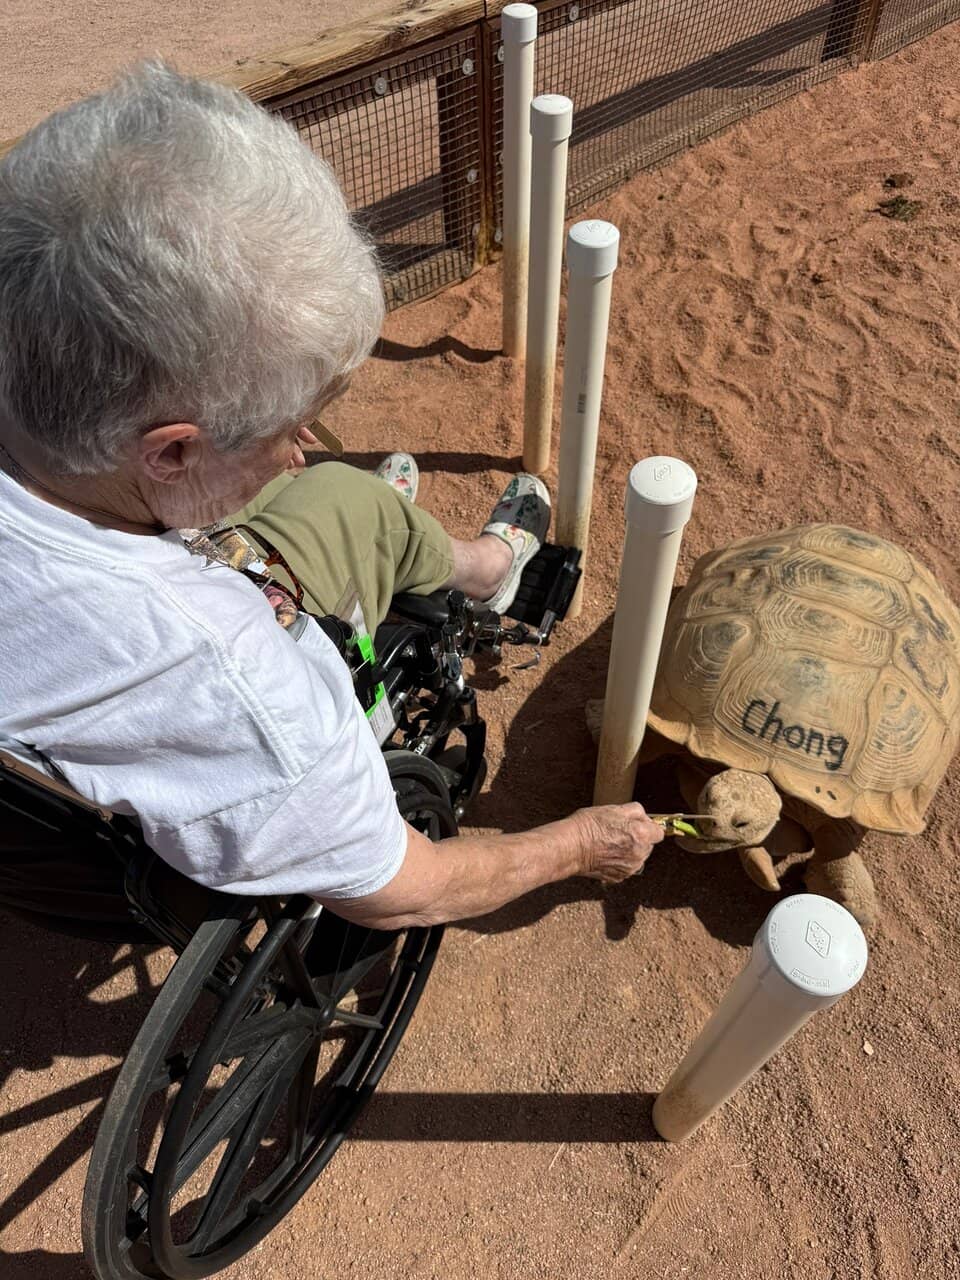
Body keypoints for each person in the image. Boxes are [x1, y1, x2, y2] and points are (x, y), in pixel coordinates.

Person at [0, 61, 662, 931]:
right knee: (350, 498)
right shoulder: (235, 679)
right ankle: (488, 569)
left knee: (324, 492)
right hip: (204, 679)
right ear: (171, 452)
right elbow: (410, 889)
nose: (300, 445)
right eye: (289, 427)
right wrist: (580, 844)